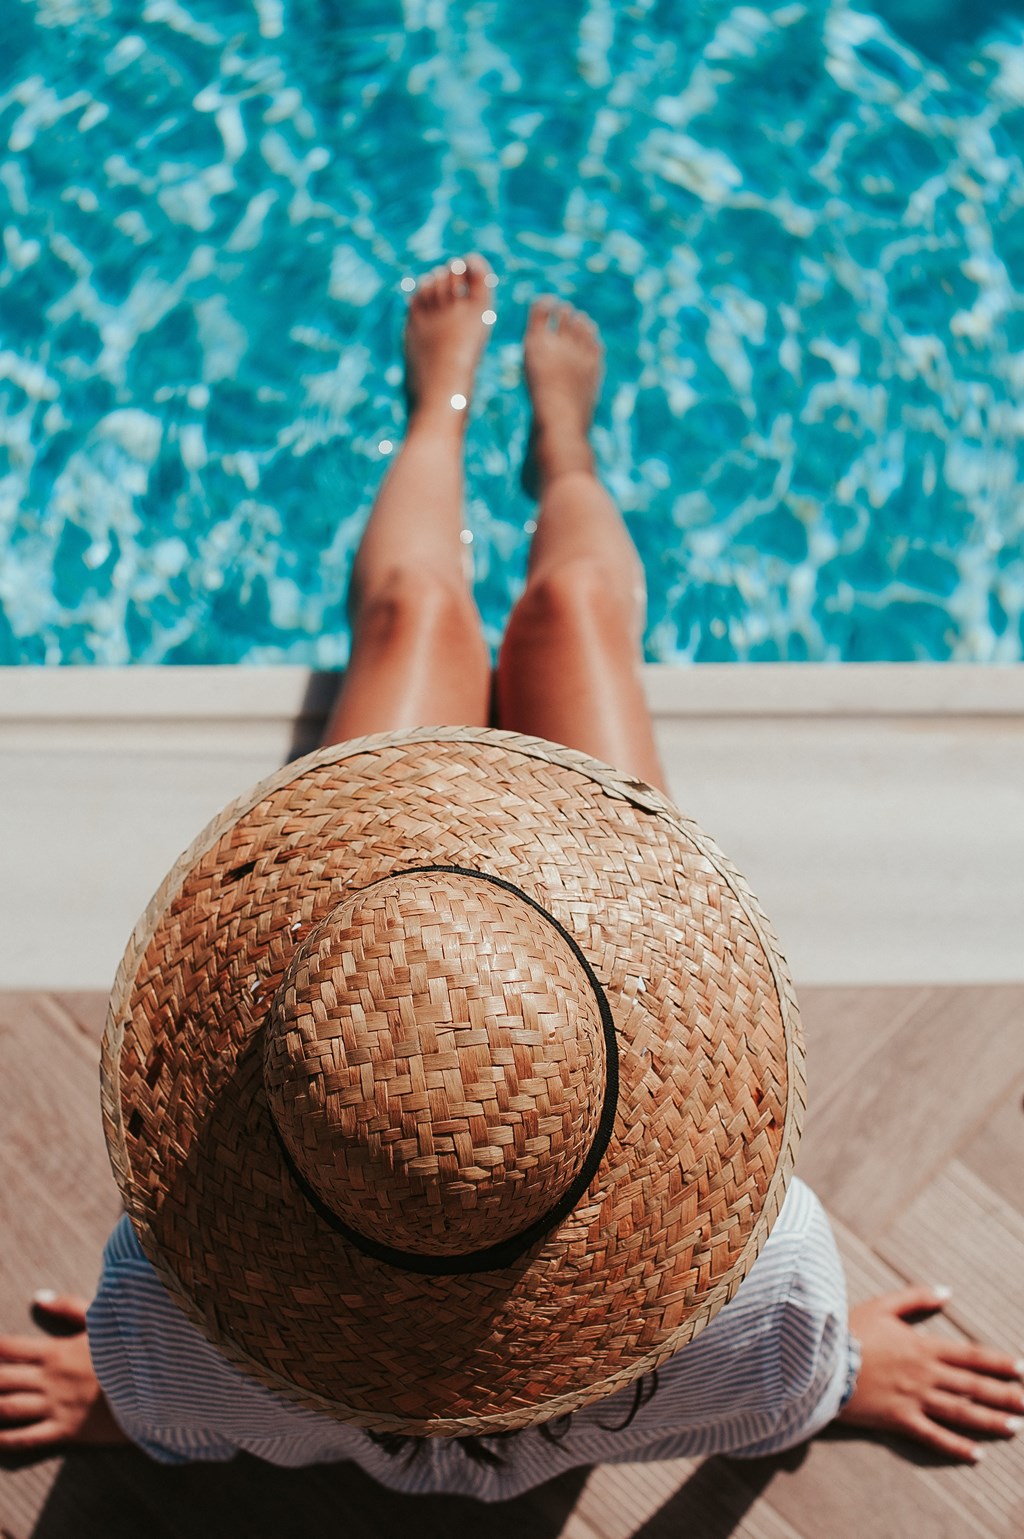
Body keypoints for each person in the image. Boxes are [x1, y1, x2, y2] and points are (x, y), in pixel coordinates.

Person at [1, 258, 1021, 1493]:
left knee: (418, 622)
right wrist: (840, 1381)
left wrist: (124, 1396)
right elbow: (782, 1396)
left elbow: (179, 1412)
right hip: (561, 970)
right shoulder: (766, 1282)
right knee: (577, 611)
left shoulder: (167, 1317)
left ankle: (441, 409)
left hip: (405, 949)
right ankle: (564, 454)